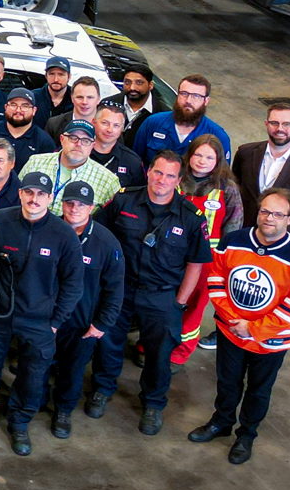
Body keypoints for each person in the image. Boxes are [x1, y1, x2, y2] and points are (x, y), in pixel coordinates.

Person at [190, 187, 290, 464]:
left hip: (270, 342)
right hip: (231, 331)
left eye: (277, 214)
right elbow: (216, 279)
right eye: (264, 211)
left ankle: (246, 435)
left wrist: (253, 328)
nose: (269, 218)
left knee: (258, 389)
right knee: (227, 382)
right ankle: (221, 422)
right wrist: (232, 320)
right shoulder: (233, 241)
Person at [90, 150, 213, 434]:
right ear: (148, 172)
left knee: (159, 355)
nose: (162, 180)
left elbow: (196, 263)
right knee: (109, 343)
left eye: (170, 176)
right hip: (120, 291)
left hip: (161, 296)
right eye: (158, 172)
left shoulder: (191, 217)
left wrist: (179, 301)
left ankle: (154, 404)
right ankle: (102, 389)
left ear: (178, 180)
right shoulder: (123, 200)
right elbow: (97, 235)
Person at [0, 170, 83, 455]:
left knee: (33, 375)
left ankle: (19, 423)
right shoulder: (2, 221)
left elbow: (73, 284)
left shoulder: (63, 235)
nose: (34, 199)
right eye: (29, 192)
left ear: (50, 197)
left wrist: (55, 322)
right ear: (20, 193)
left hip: (39, 320)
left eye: (41, 194)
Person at [45, 180, 126, 441]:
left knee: (72, 369)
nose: (74, 208)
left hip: (80, 324)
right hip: (44, 318)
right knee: (36, 365)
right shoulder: (47, 229)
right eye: (69, 202)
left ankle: (63, 411)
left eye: (81, 204)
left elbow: (115, 288)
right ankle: (32, 402)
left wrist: (102, 323)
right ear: (61, 203)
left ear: (91, 207)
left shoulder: (106, 242)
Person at [178, 133, 243, 353]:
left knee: (194, 306)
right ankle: (150, 346)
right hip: (171, 255)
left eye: (209, 157)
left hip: (206, 262)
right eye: (198, 155)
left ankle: (180, 351)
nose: (201, 161)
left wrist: (223, 264)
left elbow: (234, 227)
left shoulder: (228, 189)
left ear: (218, 161)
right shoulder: (175, 178)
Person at [229, 100, 290, 240]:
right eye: (274, 123)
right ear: (266, 124)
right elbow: (236, 186)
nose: (280, 128)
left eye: (287, 124)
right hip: (244, 231)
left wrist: (279, 215)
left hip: (283, 237)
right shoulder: (246, 153)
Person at [21, 119, 122, 209]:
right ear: (62, 139)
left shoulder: (108, 181)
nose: (78, 144)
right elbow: (16, 195)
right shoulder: (35, 162)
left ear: (93, 146)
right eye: (73, 138)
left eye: (86, 141)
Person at [133, 74, 231, 165]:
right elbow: (135, 163)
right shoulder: (153, 123)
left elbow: (221, 176)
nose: (188, 101)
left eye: (196, 96)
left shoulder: (218, 136)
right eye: (184, 94)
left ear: (206, 101)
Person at [0, 88, 56, 163]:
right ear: (5, 107)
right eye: (13, 105)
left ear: (34, 110)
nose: (18, 110)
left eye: (25, 106)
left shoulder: (44, 141)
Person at [31, 55, 75, 130]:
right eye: (52, 74)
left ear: (69, 77)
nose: (56, 79)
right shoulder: (33, 98)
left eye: (61, 74)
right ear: (46, 76)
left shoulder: (76, 100)